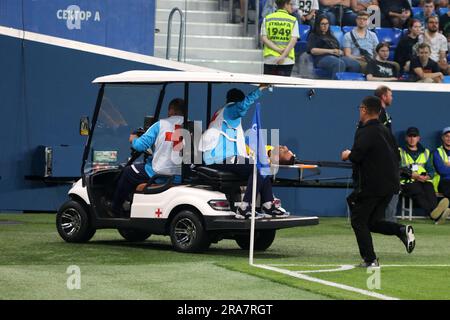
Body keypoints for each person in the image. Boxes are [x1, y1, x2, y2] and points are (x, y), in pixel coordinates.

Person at [341, 96, 415, 268]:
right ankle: (401, 230)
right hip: (390, 185)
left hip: (372, 185)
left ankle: (370, 260)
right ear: (380, 111)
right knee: (372, 222)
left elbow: (357, 156)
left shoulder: (366, 131)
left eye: (360, 108)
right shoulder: (385, 130)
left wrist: (347, 154)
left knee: (358, 221)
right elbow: (396, 156)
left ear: (364, 110)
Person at [199, 86, 287, 219]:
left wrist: (264, 152)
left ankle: (268, 205)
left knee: (262, 166)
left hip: (226, 157)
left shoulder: (227, 117)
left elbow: (242, 139)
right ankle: (245, 207)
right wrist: (260, 89)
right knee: (257, 168)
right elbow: (242, 106)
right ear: (235, 102)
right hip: (219, 157)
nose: (242, 107)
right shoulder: (230, 110)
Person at [108, 98, 186, 217]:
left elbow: (140, 146)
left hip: (159, 174)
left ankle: (115, 208)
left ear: (171, 110)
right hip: (181, 176)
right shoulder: (193, 127)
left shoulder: (160, 125)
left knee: (128, 171)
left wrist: (133, 139)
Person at [399, 127, 450, 224]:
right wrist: (413, 175)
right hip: (408, 181)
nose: (412, 139)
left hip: (424, 179)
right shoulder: (400, 151)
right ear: (406, 138)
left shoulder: (426, 152)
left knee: (429, 190)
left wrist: (428, 177)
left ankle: (436, 215)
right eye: (410, 136)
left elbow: (431, 169)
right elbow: (398, 168)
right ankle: (435, 216)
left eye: (414, 136)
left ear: (419, 138)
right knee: (418, 190)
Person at [374, 85, 399, 222]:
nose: (392, 97)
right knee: (392, 186)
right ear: (383, 96)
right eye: (391, 95)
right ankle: (389, 220)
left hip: (384, 157)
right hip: (383, 159)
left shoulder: (382, 113)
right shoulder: (379, 113)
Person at [261, 0, 300, 76]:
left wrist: (277, 49)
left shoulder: (267, 18)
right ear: (285, 4)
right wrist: (282, 56)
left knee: (267, 86)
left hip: (270, 58)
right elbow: (293, 40)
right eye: (290, 4)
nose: (291, 6)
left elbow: (264, 38)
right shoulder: (293, 20)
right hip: (287, 59)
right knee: (283, 86)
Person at [432, 127, 450, 224]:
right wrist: (445, 167)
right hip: (443, 182)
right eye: (447, 136)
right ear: (442, 138)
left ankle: (445, 213)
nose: (449, 138)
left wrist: (448, 165)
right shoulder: (437, 152)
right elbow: (442, 170)